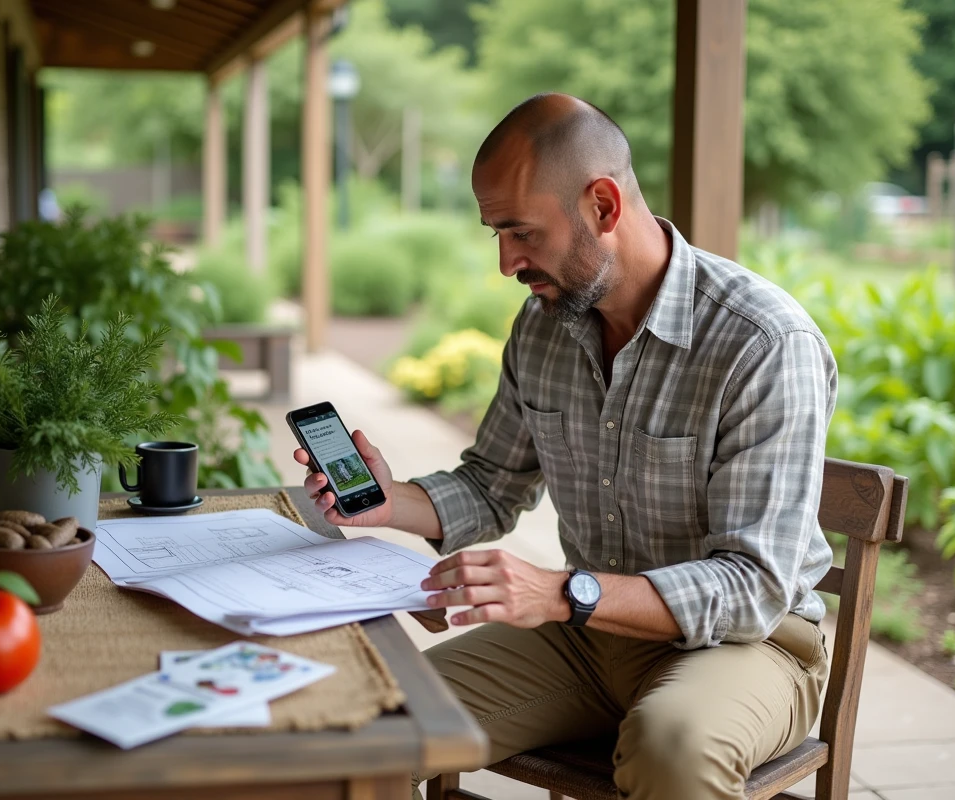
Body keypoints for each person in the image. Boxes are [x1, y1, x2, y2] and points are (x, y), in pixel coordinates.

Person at [295, 93, 837, 800]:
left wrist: (561, 591)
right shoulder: (543, 326)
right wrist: (389, 502)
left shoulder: (762, 343)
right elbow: (492, 484)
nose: (506, 262)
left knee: (672, 744)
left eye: (521, 232)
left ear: (604, 207)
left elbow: (753, 587)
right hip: (588, 641)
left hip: (745, 647)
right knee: (367, 719)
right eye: (496, 235)